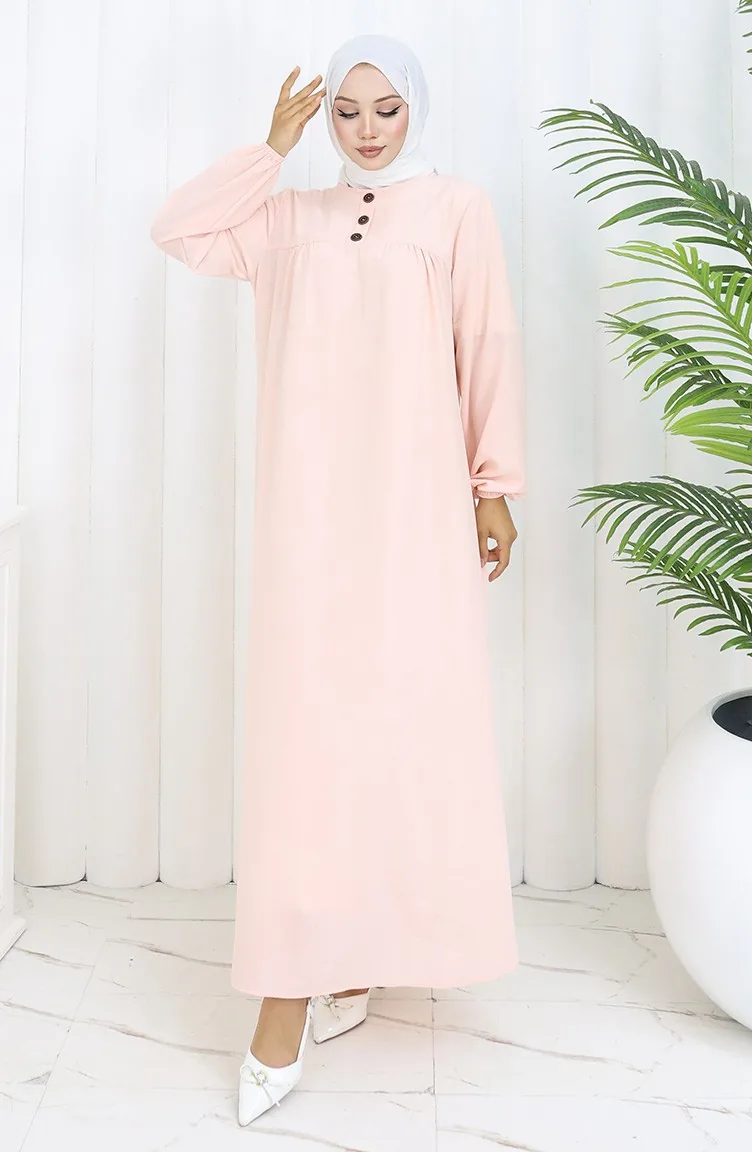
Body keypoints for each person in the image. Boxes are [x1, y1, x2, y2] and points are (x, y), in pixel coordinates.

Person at [150, 32, 524, 1128]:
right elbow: (179, 229)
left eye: (385, 110)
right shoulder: (288, 218)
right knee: (308, 740)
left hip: (415, 513)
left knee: (401, 728)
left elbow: (487, 341)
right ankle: (290, 988)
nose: (365, 130)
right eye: (345, 112)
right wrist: (268, 149)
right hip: (307, 519)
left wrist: (493, 486)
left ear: (415, 111)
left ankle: (357, 961)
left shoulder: (454, 208)